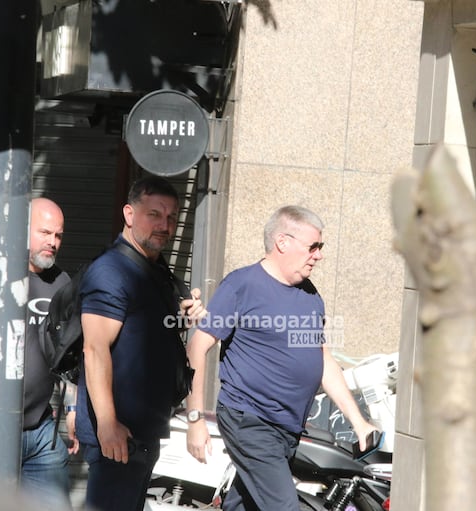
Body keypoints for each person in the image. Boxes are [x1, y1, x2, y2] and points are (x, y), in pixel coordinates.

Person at [185, 205, 379, 511]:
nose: (319, 255)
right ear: (282, 243)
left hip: (287, 428)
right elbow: (197, 347)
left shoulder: (310, 295)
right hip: (250, 420)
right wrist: (195, 419)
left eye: (321, 247)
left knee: (244, 504)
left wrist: (359, 422)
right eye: (313, 247)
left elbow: (321, 358)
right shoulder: (242, 285)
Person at [74, 174, 206, 511]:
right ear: (129, 215)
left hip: (143, 432)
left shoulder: (153, 271)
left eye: (172, 217)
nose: (165, 224)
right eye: (154, 214)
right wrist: (107, 424)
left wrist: (184, 317)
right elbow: (94, 348)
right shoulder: (111, 272)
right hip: (118, 436)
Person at [23, 197, 79, 510]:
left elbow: (67, 353)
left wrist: (72, 409)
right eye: (44, 233)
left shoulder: (62, 282)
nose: (52, 242)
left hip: (42, 430)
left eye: (58, 235)